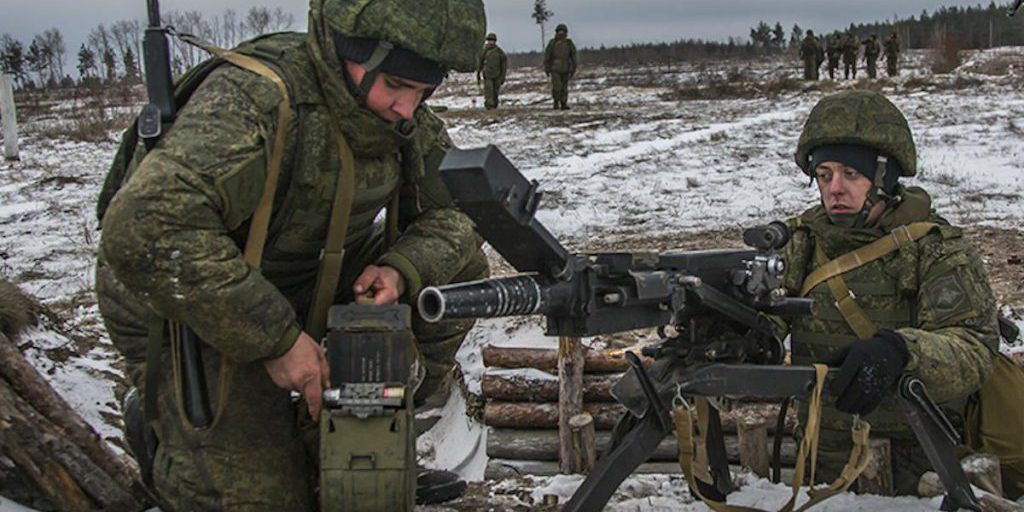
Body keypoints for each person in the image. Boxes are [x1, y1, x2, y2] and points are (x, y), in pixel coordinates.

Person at [94, 0, 489, 509]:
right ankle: (172, 430)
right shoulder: (256, 100)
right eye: (396, 86)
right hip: (187, 296)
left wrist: (401, 268)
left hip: (303, 273)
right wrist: (278, 341)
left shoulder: (395, 116)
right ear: (349, 54)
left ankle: (354, 437)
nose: (408, 109)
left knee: (455, 273)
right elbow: (144, 228)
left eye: (423, 91)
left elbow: (460, 212)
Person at [777, 90, 1001, 495]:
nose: (835, 189)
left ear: (886, 180)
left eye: (851, 174)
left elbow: (975, 350)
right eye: (824, 175)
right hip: (819, 469)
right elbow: (763, 318)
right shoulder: (800, 244)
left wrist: (900, 351)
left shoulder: (934, 248)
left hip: (919, 474)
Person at [544, 23, 577, 110]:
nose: (561, 33)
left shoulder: (569, 43)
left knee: (564, 88)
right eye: (560, 31)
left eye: (563, 32)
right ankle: (556, 102)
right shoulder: (552, 43)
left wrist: (573, 68)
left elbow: (573, 56)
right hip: (555, 69)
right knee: (557, 87)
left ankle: (563, 103)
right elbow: (547, 56)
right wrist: (547, 68)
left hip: (566, 69)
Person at [476, 32, 508, 110]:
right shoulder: (484, 51)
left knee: (495, 92)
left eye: (492, 40)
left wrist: (503, 76)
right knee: (488, 91)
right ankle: (489, 106)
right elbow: (480, 63)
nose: (491, 42)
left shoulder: (499, 52)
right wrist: (478, 74)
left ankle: (494, 105)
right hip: (487, 75)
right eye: (489, 40)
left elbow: (504, 65)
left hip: (497, 74)